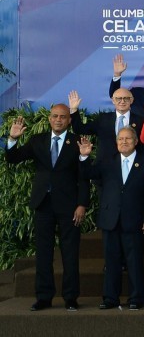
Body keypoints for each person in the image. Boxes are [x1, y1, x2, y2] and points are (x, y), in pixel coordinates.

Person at [5, 105, 89, 311]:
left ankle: (70, 298)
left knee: (70, 253)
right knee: (43, 253)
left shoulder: (77, 142)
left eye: (63, 117)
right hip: (43, 204)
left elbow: (83, 178)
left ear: (69, 120)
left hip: (69, 206)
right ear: (49, 119)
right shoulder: (37, 140)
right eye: (55, 116)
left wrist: (82, 204)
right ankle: (43, 297)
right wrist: (13, 139)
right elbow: (13, 158)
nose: (58, 120)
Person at [78, 127, 144, 310]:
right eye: (120, 139)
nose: (124, 142)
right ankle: (110, 298)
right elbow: (87, 174)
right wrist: (85, 157)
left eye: (128, 138)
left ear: (136, 141)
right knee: (111, 262)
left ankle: (136, 298)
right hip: (110, 219)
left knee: (135, 262)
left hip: (135, 220)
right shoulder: (107, 162)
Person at [69, 88, 144, 162]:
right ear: (113, 100)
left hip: (131, 164)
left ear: (131, 100)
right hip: (105, 165)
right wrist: (74, 110)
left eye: (126, 98)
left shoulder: (141, 120)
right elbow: (79, 129)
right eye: (118, 98)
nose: (122, 101)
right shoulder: (103, 119)